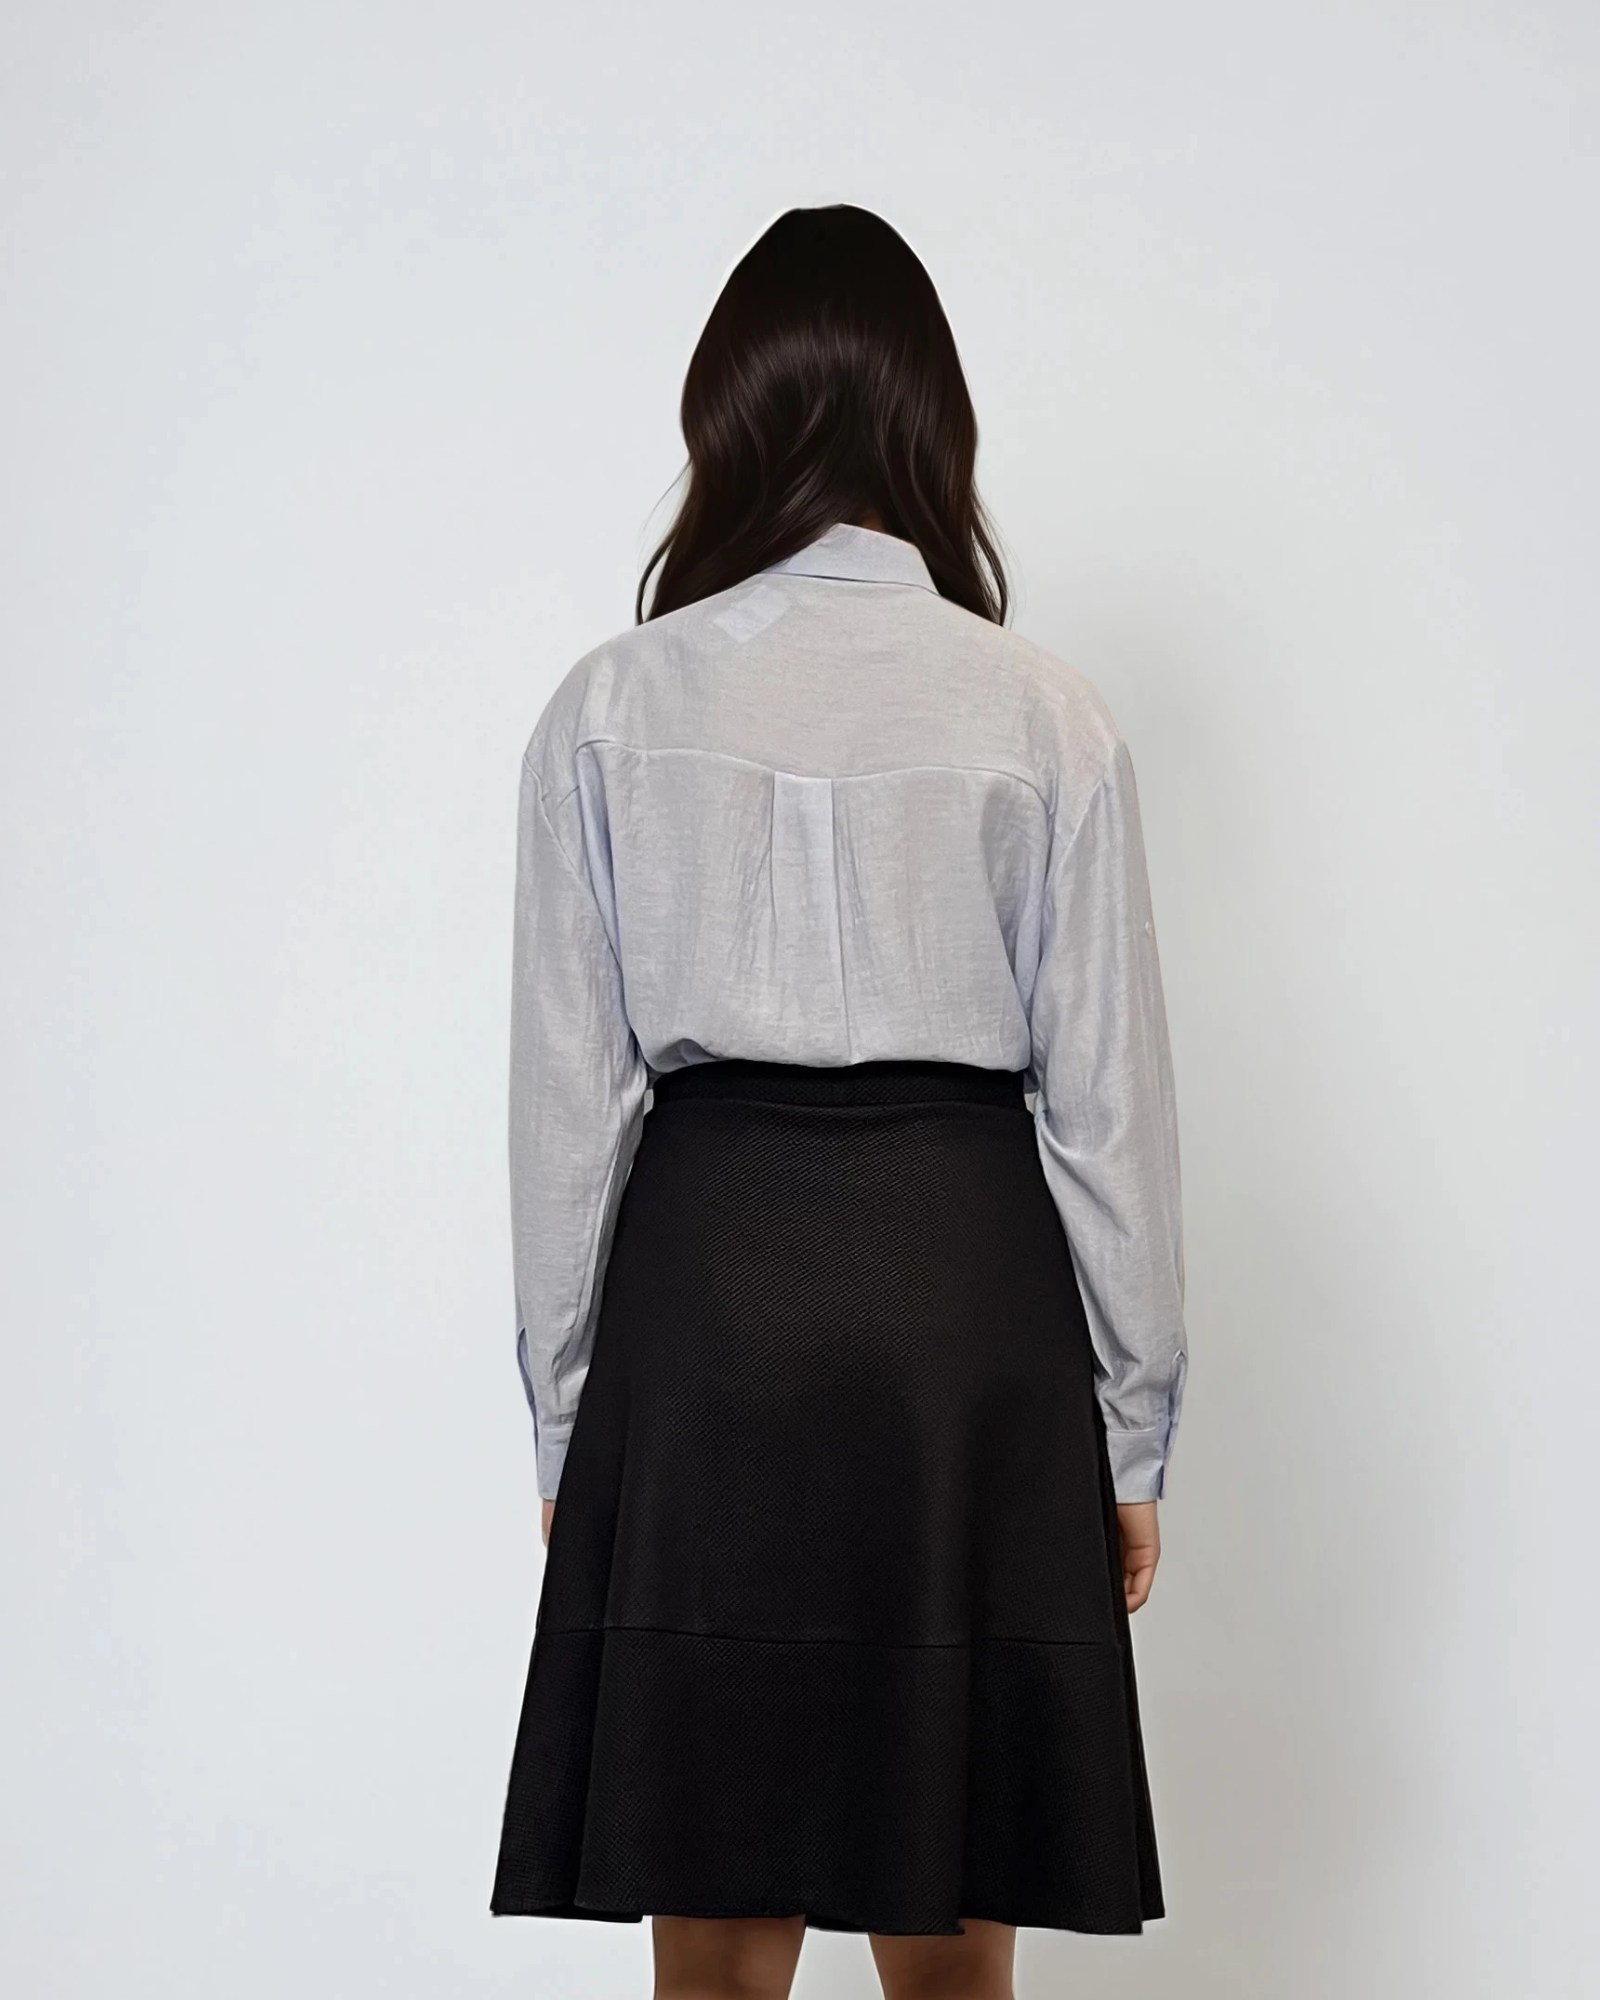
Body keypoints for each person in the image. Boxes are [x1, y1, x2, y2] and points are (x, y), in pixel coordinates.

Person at [489, 203, 1188, 2000]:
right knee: (952, 1958)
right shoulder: (1046, 715)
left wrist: (571, 1430)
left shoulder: (608, 708)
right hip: (965, 1320)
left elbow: (567, 1115)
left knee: (714, 1964)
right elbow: (1108, 1110)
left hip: (709, 1316)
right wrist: (1131, 1435)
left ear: (724, 419)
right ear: (930, 422)